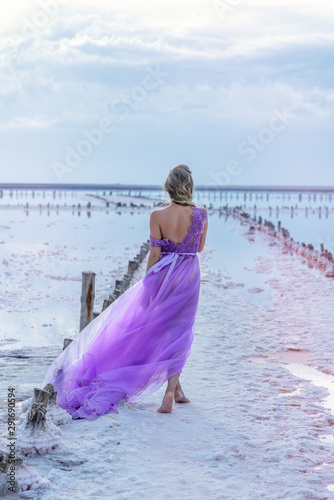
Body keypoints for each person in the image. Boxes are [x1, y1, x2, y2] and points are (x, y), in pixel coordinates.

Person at [40, 164, 208, 419]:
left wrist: (147, 285)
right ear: (189, 187)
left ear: (169, 187)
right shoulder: (201, 214)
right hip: (189, 274)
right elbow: (200, 248)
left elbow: (154, 254)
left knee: (162, 329)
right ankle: (172, 393)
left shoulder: (157, 216)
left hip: (164, 275)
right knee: (181, 331)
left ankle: (175, 392)